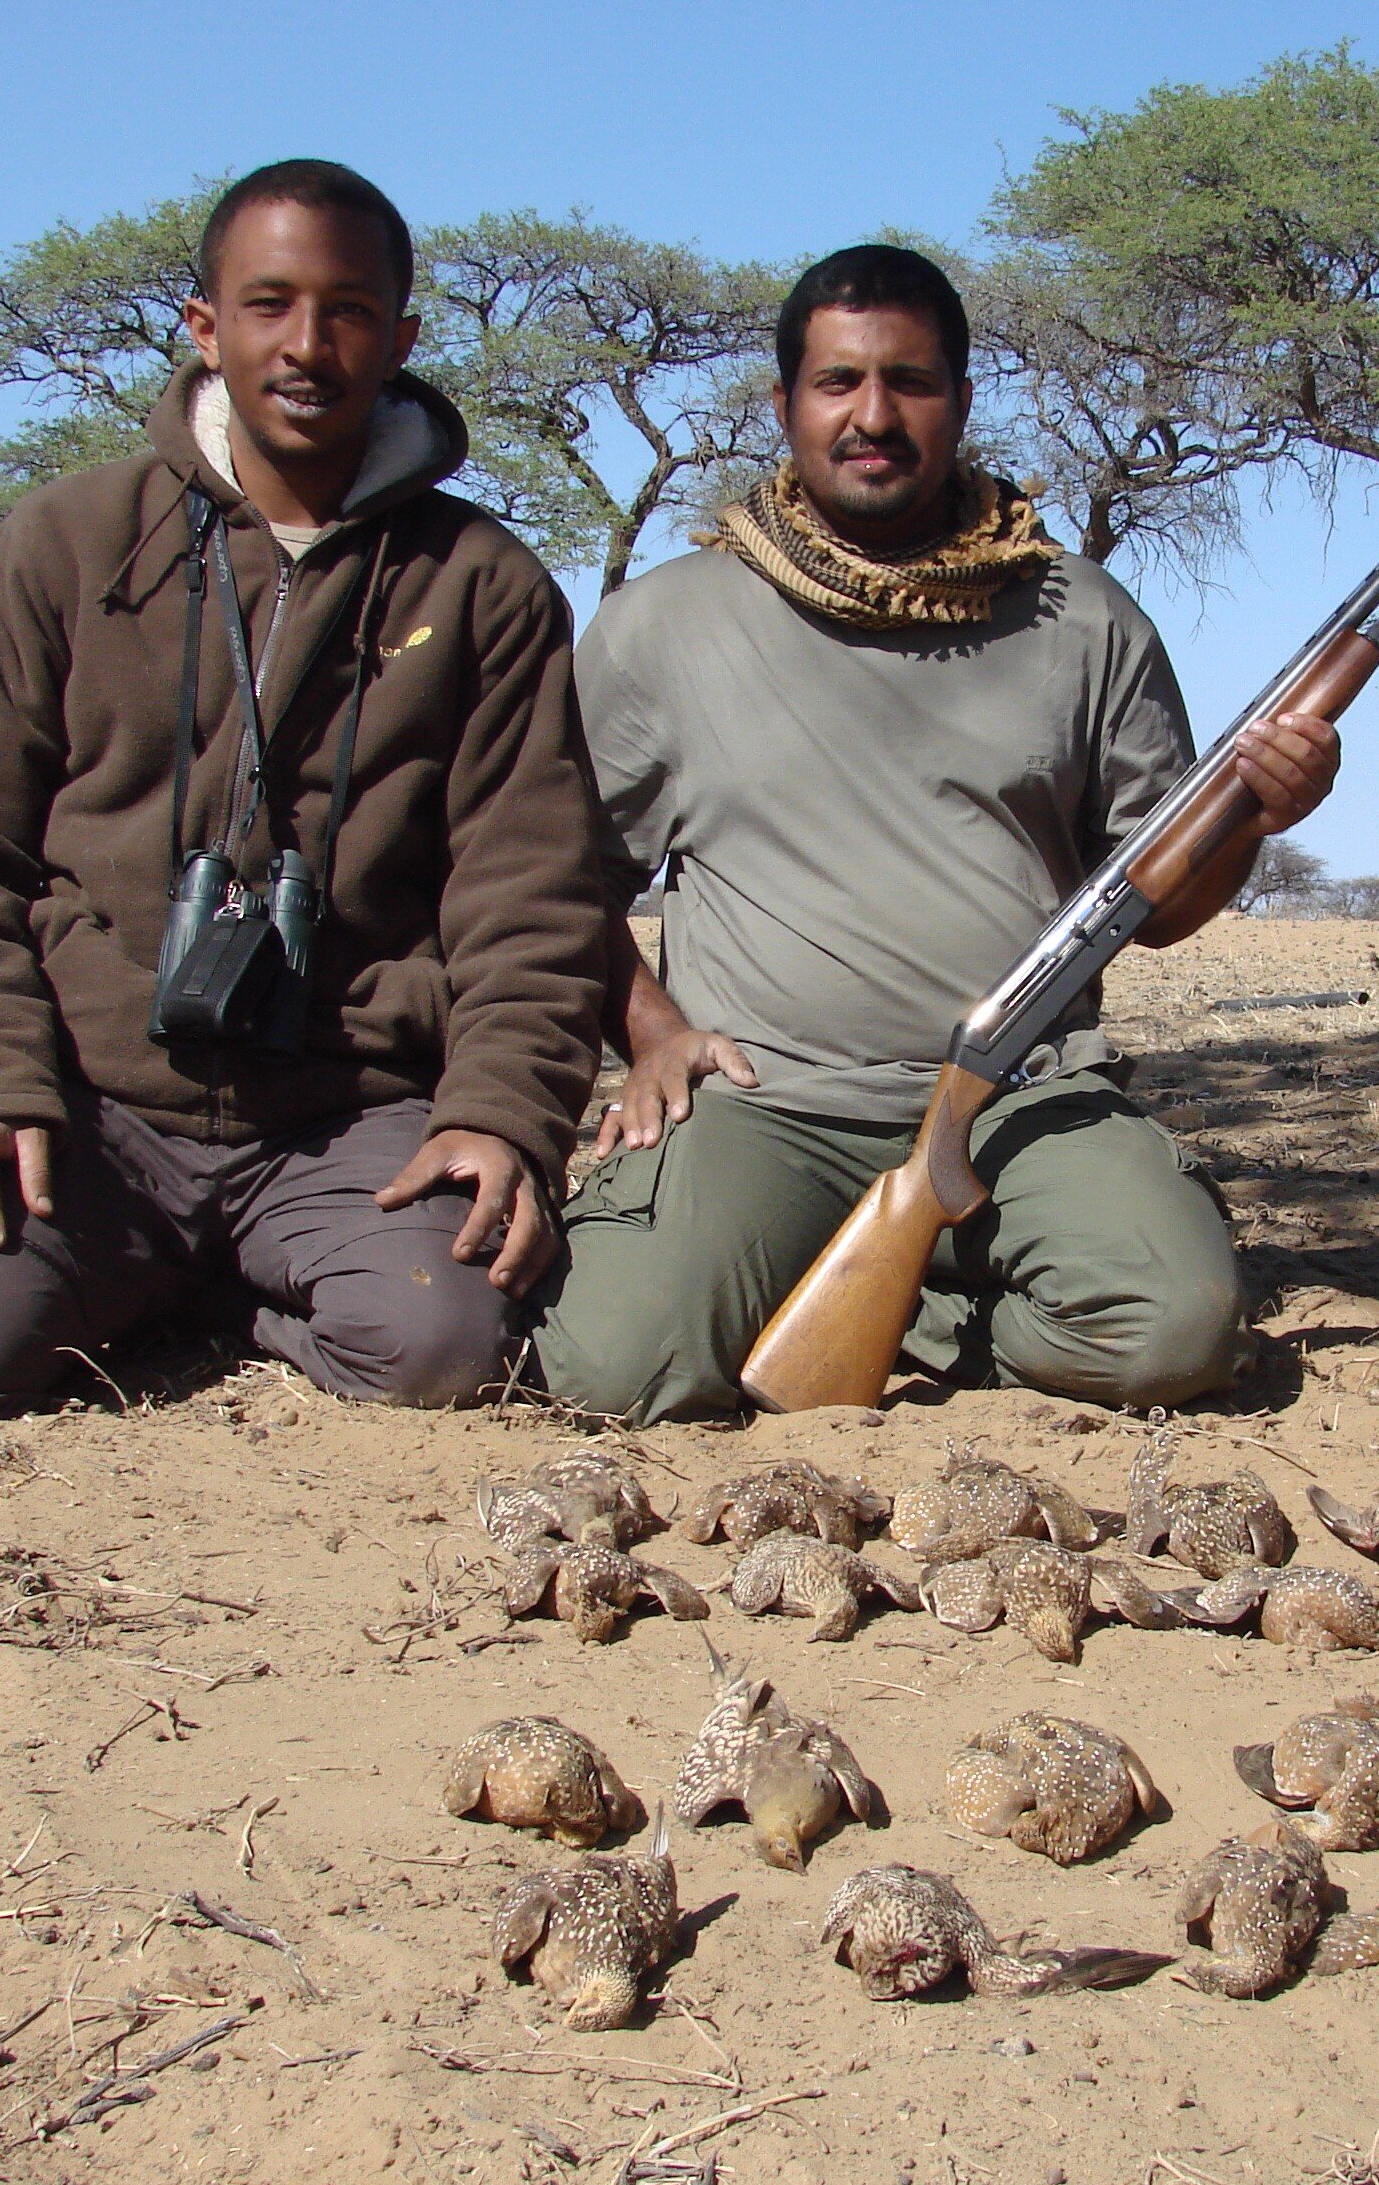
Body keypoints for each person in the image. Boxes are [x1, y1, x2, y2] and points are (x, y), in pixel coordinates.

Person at [0, 160, 606, 1421]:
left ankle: (209, 1294)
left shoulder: (484, 582)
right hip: (92, 1108)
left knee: (443, 1347)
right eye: (269, 304)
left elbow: (535, 890)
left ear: (402, 336)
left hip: (347, 1116)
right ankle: (137, 1269)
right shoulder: (64, 543)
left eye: (350, 309)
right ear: (204, 326)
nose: (309, 345)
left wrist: (500, 1112)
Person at [529, 244, 1336, 1423]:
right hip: (764, 1103)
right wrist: (652, 1031)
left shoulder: (1086, 617)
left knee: (1169, 1334)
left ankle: (893, 1291)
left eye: (909, 382)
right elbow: (559, 881)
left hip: (1023, 1096)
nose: (873, 416)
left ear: (960, 399)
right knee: (615, 1368)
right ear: (785, 406)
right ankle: (875, 1279)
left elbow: (1159, 915)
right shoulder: (660, 625)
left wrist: (1259, 814)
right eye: (838, 382)